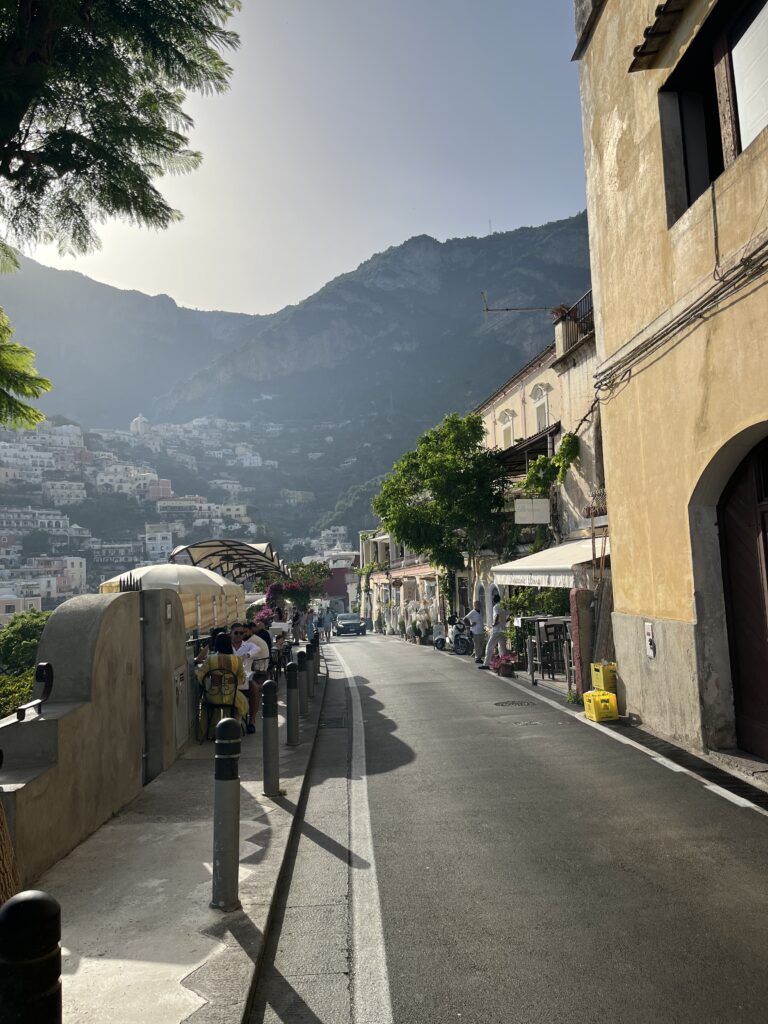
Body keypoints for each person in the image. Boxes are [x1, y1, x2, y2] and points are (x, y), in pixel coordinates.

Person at [195, 632, 248, 734]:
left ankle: (210, 732)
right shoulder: (237, 659)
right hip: (231, 696)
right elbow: (242, 679)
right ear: (229, 644)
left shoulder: (211, 659)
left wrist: (206, 684)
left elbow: (200, 675)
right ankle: (234, 729)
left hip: (213, 696)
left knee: (208, 707)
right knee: (241, 703)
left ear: (217, 644)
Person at [230, 622, 270, 731]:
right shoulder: (227, 646)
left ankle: (252, 721)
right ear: (231, 633)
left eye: (241, 633)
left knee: (255, 688)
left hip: (245, 679)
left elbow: (257, 649)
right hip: (229, 680)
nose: (239, 635)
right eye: (236, 633)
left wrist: (247, 655)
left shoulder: (248, 645)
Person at [479, 594, 508, 669]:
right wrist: (503, 622)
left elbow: (497, 615)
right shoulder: (503, 607)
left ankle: (486, 664)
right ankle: (503, 663)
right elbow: (509, 616)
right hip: (503, 629)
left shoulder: (496, 607)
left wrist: (494, 623)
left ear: (494, 600)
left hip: (497, 630)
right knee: (502, 647)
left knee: (489, 646)